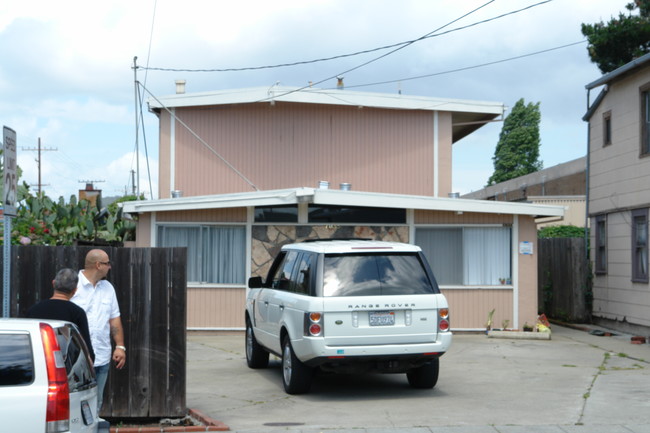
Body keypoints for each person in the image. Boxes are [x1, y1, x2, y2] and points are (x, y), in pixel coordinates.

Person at [72, 249, 126, 412]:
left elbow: (114, 318)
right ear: (98, 265)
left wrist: (120, 346)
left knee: (97, 400)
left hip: (101, 355)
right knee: (74, 401)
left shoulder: (107, 288)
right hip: (76, 358)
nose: (109, 267)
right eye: (107, 263)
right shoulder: (73, 284)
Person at [26, 268, 95, 362]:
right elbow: (87, 350)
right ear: (75, 290)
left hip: (38, 363)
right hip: (66, 367)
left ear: (53, 283)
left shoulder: (33, 310)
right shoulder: (77, 313)